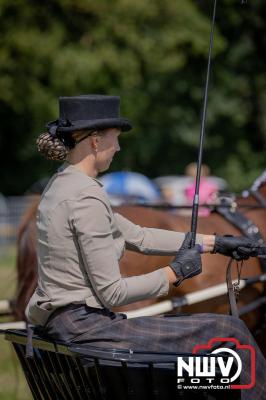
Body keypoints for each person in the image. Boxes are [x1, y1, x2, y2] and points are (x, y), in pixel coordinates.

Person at [26, 95, 266, 398]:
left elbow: (139, 236)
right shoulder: (85, 198)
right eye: (115, 140)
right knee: (230, 332)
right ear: (96, 142)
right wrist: (174, 272)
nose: (119, 147)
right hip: (89, 330)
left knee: (222, 334)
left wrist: (216, 243)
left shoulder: (62, 184)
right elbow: (112, 292)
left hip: (71, 323)